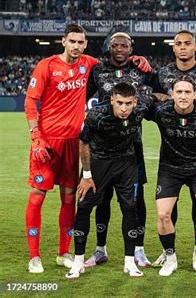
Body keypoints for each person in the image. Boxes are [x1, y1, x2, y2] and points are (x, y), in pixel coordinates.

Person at [24, 23, 151, 273]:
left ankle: (63, 252)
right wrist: (35, 135)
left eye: (81, 42)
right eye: (72, 41)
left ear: (85, 45)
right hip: (47, 143)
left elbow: (118, 58)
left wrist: (138, 59)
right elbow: (31, 101)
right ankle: (34, 256)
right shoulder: (46, 66)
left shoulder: (90, 64)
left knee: (71, 198)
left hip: (76, 142)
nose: (76, 46)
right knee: (38, 196)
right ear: (63, 41)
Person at [65, 82, 156, 279]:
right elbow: (83, 141)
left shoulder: (139, 110)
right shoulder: (97, 115)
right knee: (84, 207)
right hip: (99, 163)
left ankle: (129, 262)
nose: (124, 109)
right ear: (112, 100)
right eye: (120, 103)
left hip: (126, 163)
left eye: (128, 104)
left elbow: (156, 97)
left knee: (130, 208)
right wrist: (87, 175)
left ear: (135, 102)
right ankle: (78, 262)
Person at [152, 30, 196, 268]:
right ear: (173, 48)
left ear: (195, 47)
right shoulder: (162, 73)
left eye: (187, 44)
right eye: (178, 44)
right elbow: (148, 93)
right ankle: (168, 251)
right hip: (170, 160)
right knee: (165, 210)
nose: (182, 48)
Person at [84, 32, 154, 268]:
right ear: (109, 47)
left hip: (131, 144)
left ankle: (139, 250)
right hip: (101, 147)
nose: (120, 49)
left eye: (125, 45)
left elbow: (159, 89)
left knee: (136, 199)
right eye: (115, 45)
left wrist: (149, 67)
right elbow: (83, 97)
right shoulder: (98, 70)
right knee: (101, 197)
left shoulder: (140, 70)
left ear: (131, 48)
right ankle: (100, 249)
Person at [147, 76, 196, 277]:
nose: (183, 96)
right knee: (163, 214)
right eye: (179, 92)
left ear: (195, 95)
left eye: (188, 92)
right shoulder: (161, 112)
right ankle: (170, 257)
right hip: (170, 168)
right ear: (171, 95)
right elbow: (139, 105)